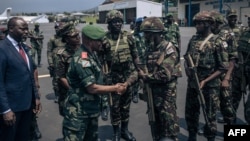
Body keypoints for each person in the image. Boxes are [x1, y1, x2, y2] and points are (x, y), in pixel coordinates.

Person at [62, 24, 126, 141]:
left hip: (90, 111)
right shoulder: (82, 59)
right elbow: (92, 88)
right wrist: (115, 88)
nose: (102, 42)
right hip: (79, 114)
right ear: (90, 41)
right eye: (99, 40)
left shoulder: (91, 54)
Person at [184, 11, 228, 141]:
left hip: (210, 87)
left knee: (209, 116)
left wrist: (205, 81)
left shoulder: (217, 42)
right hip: (193, 84)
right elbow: (187, 56)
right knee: (191, 114)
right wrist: (187, 69)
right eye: (196, 23)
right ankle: (192, 136)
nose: (197, 26)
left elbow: (223, 67)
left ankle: (210, 138)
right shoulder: (194, 39)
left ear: (209, 24)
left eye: (200, 23)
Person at [138, 16, 182, 141]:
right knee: (155, 127)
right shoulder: (150, 48)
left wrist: (146, 77)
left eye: (147, 34)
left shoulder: (168, 48)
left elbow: (164, 74)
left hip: (165, 97)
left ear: (155, 34)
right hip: (152, 94)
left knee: (167, 129)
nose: (145, 36)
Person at [0, 17, 41, 141]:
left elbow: (30, 75)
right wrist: (5, 109)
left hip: (27, 106)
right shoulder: (2, 49)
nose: (26, 32)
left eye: (27, 29)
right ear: (11, 29)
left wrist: (36, 97)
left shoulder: (23, 47)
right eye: (22, 29)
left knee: (24, 137)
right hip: (12, 108)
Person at [103, 9, 137, 141]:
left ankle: (125, 130)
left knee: (126, 106)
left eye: (119, 22)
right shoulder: (104, 39)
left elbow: (135, 56)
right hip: (112, 79)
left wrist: (139, 71)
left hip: (127, 77)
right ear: (109, 23)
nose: (117, 24)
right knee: (114, 107)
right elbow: (100, 59)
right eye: (114, 22)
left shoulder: (128, 37)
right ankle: (116, 132)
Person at [210, 11, 237, 125]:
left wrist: (227, 78)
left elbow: (233, 58)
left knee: (227, 105)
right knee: (210, 104)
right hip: (211, 76)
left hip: (224, 75)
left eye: (215, 23)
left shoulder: (228, 34)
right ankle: (209, 127)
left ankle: (231, 129)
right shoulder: (208, 34)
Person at [222, 9, 244, 124]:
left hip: (239, 63)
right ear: (227, 17)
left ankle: (232, 115)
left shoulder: (241, 29)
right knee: (226, 91)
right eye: (231, 17)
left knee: (236, 91)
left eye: (234, 17)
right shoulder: (223, 29)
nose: (233, 19)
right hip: (227, 62)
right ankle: (228, 114)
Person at [54, 23, 80, 116]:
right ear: (67, 39)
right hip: (68, 92)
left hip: (83, 90)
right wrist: (73, 91)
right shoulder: (61, 54)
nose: (78, 38)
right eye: (74, 36)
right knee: (70, 119)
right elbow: (61, 77)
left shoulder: (83, 50)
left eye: (78, 35)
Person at [47, 22, 66, 103]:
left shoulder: (66, 38)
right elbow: (49, 52)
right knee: (56, 80)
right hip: (56, 63)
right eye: (56, 28)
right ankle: (57, 95)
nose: (58, 29)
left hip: (66, 62)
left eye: (60, 28)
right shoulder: (53, 39)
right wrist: (50, 63)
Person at [237, 15, 250, 125]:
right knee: (236, 94)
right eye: (249, 20)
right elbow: (240, 51)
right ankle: (229, 117)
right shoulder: (245, 33)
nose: (249, 22)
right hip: (243, 69)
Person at [130, 17, 146, 103]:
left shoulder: (146, 34)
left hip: (146, 60)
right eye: (139, 24)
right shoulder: (132, 36)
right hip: (137, 60)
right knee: (136, 78)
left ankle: (146, 92)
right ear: (136, 24)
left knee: (146, 77)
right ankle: (134, 93)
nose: (141, 25)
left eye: (142, 24)